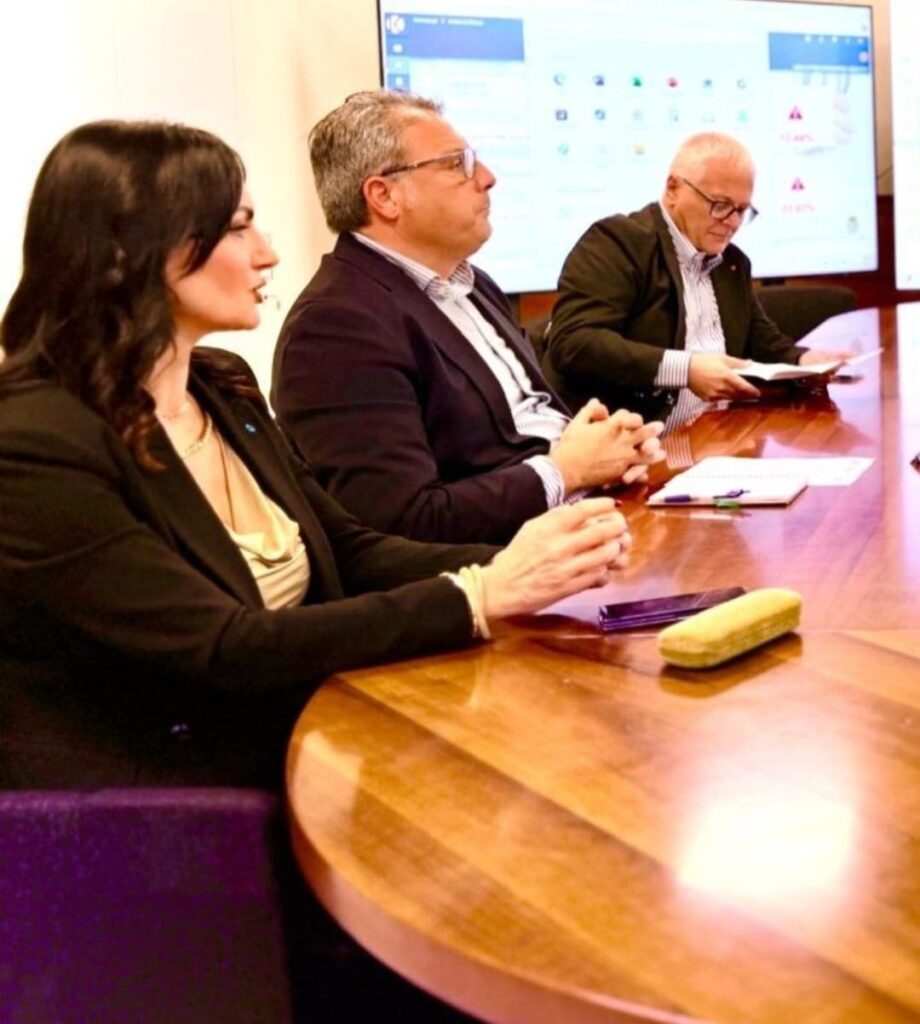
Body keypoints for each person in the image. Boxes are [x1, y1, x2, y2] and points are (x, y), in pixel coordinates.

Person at [0, 120, 634, 792]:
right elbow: (224, 646)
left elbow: (348, 550)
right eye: (238, 228)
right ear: (136, 252)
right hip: (160, 801)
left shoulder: (220, 387)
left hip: (296, 732)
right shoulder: (34, 445)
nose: (268, 254)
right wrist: (480, 596)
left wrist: (541, 561)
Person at [271, 90, 663, 545]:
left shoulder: (472, 284)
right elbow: (399, 524)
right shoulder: (336, 327)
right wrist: (567, 472)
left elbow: (523, 431)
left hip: (584, 520)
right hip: (508, 563)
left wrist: (606, 450)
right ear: (385, 196)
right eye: (457, 164)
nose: (488, 178)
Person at [543, 132, 852, 427]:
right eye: (720, 205)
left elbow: (760, 341)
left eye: (742, 210)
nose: (732, 222)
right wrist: (686, 370)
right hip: (637, 441)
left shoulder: (732, 263)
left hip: (715, 433)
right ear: (673, 189)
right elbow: (574, 342)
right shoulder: (618, 243)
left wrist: (805, 360)